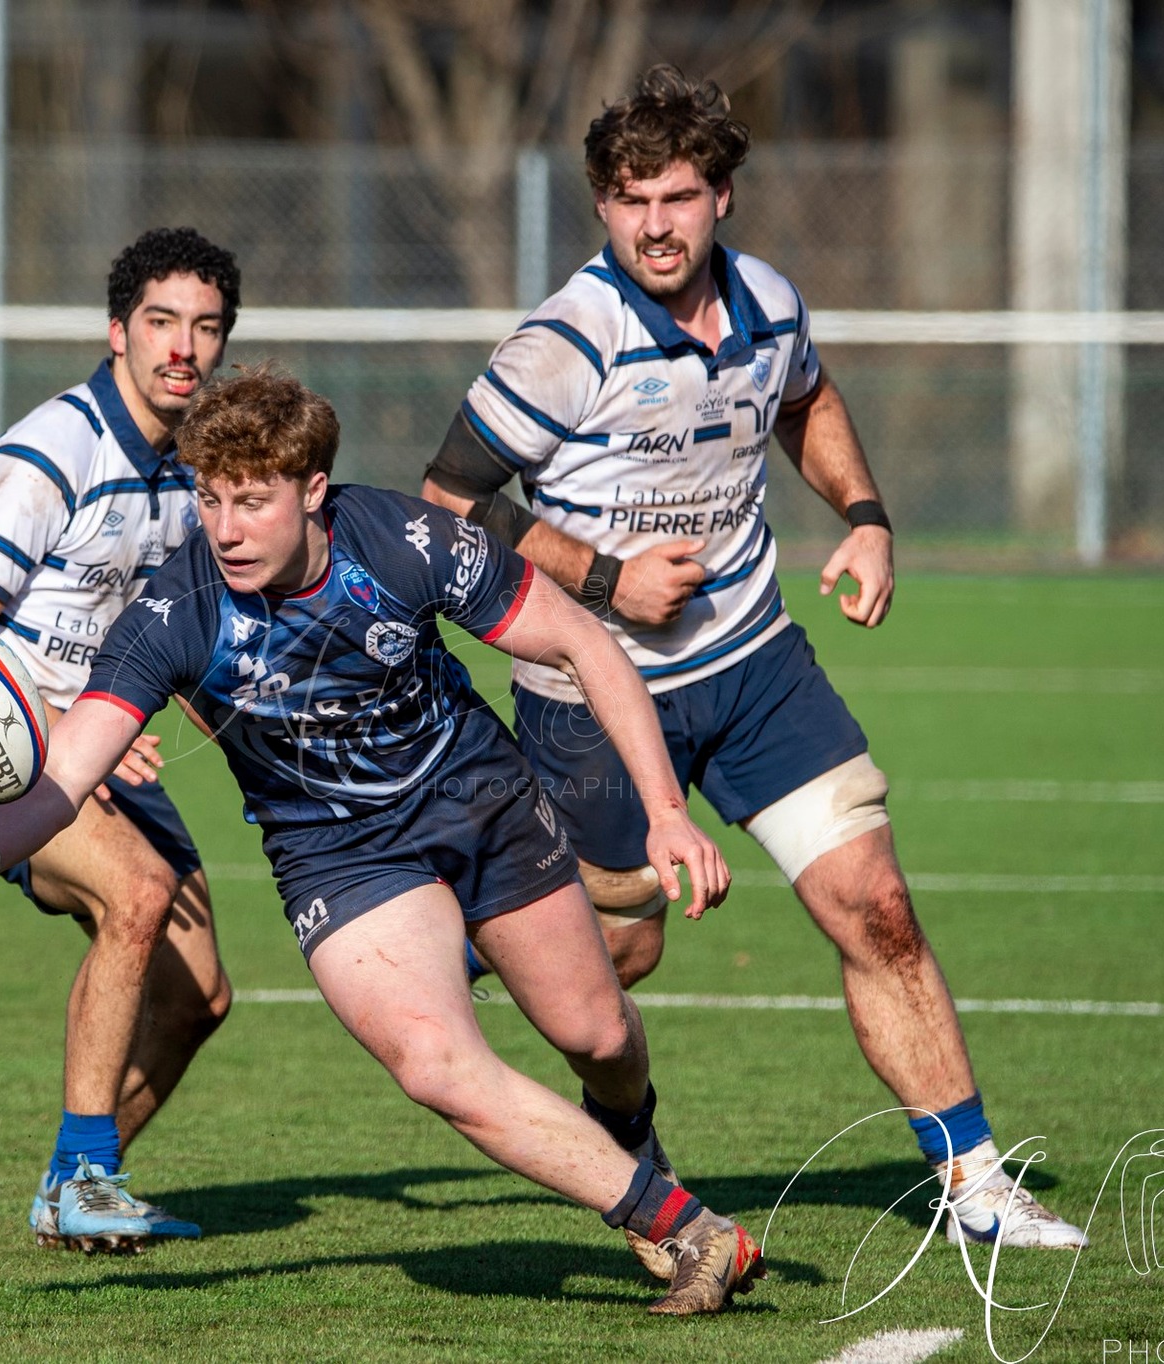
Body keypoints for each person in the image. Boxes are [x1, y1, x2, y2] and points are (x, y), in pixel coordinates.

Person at [0, 366, 765, 1316]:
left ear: (312, 492)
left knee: (599, 1036)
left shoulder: (406, 541)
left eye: (252, 502)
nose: (225, 529)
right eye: (209, 500)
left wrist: (665, 811)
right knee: (434, 1063)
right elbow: (67, 774)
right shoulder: (175, 612)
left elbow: (584, 641)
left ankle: (632, 1138)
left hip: (479, 801)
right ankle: (689, 1228)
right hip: (338, 855)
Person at [418, 66, 1088, 1250]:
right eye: (629, 200)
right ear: (600, 204)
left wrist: (864, 516)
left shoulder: (768, 301)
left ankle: (975, 1183)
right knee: (617, 954)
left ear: (720, 195)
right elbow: (447, 500)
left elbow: (805, 400)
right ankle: (482, 943)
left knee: (876, 907)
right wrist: (606, 577)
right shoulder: (563, 343)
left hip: (754, 666)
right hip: (591, 691)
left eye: (676, 196)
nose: (654, 225)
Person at [0, 228, 243, 1254]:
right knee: (136, 892)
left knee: (200, 995)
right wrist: (64, 727)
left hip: (104, 752)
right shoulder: (49, 453)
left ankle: (69, 1184)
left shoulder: (193, 468)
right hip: (4, 752)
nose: (182, 346)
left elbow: (180, 644)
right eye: (161, 322)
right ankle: (89, 1177)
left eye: (205, 327)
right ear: (116, 331)